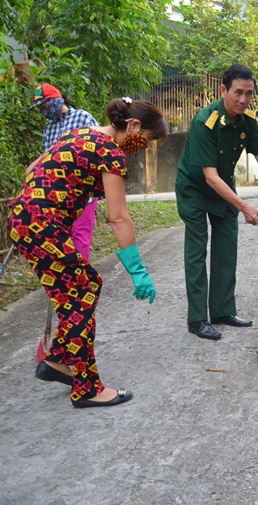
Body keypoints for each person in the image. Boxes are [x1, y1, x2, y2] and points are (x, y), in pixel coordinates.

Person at [8, 97, 168, 408]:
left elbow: (32, 169)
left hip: (25, 220)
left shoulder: (79, 134)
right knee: (82, 291)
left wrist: (51, 204)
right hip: (42, 224)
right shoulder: (110, 152)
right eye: (146, 140)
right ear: (133, 126)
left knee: (81, 290)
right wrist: (137, 269)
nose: (143, 148)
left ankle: (57, 360)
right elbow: (118, 216)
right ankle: (87, 388)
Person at [176, 64, 258, 341]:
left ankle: (222, 311)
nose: (244, 100)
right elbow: (209, 177)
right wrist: (244, 206)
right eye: (238, 93)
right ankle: (197, 319)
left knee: (226, 248)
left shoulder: (247, 122)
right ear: (223, 90)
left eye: (249, 94)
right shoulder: (205, 121)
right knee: (197, 252)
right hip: (195, 190)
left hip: (224, 188)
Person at [28, 83, 101, 259]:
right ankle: (69, 277)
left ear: (57, 100)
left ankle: (81, 280)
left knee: (80, 235)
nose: (44, 111)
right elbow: (46, 159)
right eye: (41, 109)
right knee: (60, 238)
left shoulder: (82, 117)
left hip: (83, 188)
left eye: (46, 106)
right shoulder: (48, 128)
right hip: (58, 192)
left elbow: (99, 147)